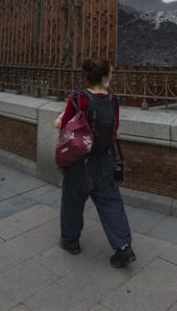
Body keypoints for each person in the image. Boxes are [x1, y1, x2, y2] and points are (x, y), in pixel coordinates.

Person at [53, 58, 135, 268]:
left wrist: (59, 119)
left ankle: (71, 242)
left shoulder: (78, 98)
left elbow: (63, 126)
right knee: (111, 204)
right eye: (112, 73)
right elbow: (114, 130)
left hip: (79, 162)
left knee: (72, 201)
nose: (113, 76)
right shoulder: (113, 100)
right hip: (105, 160)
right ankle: (123, 247)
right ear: (104, 76)